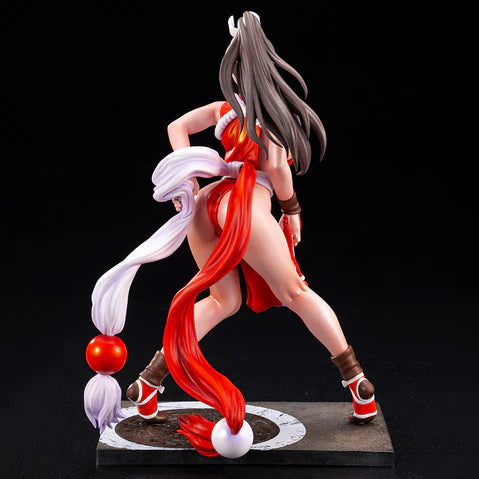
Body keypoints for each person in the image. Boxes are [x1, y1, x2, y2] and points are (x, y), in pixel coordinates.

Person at [85, 12, 377, 458]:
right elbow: (276, 167)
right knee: (296, 292)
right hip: (246, 204)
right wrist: (291, 210)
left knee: (222, 301)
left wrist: (190, 180)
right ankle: (358, 383)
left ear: (235, 71)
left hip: (207, 204)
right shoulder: (272, 115)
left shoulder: (226, 111)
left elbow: (177, 127)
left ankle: (148, 382)